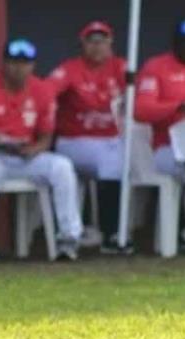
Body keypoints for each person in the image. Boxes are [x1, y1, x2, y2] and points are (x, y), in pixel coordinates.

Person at [0, 38, 83, 264]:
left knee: (62, 166)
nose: (19, 68)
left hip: (24, 156)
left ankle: (69, 238)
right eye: (14, 62)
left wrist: (35, 148)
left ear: (33, 66)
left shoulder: (42, 90)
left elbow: (46, 136)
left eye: (25, 63)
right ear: (4, 63)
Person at [135, 17, 185, 256]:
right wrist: (179, 106)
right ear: (176, 43)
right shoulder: (156, 67)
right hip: (171, 149)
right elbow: (141, 110)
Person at [48, 21, 132, 253]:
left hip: (110, 139)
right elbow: (46, 92)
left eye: (102, 41)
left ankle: (113, 231)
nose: (97, 46)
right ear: (82, 44)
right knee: (112, 158)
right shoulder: (70, 68)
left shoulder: (121, 67)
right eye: (91, 41)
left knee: (119, 155)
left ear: (110, 43)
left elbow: (138, 98)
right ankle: (110, 231)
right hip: (74, 140)